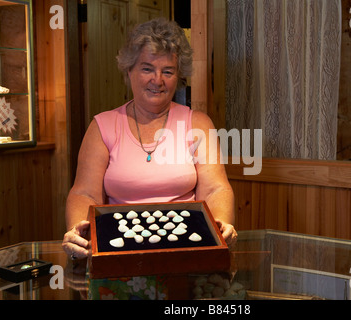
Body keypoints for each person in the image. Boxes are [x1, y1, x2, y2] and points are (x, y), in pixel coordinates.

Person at [62, 18, 237, 260]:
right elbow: (85, 193)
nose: (158, 80)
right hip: (118, 247)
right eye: (147, 69)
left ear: (179, 76)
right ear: (129, 70)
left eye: (168, 71)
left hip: (187, 245)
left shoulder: (198, 123)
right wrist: (76, 233)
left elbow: (216, 188)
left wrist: (222, 226)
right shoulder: (101, 126)